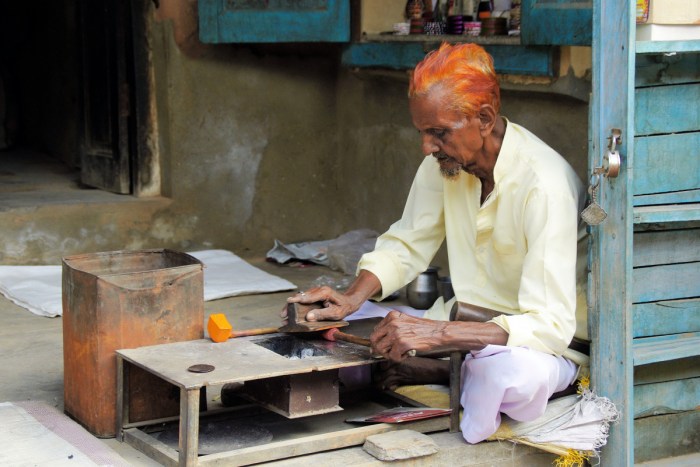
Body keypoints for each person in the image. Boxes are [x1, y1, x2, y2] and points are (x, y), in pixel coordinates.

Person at [285, 42, 588, 444]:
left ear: (484, 118)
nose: (426, 147)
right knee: (374, 343)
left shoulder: (544, 185)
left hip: (542, 345)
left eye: (438, 133)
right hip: (467, 322)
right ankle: (452, 366)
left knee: (504, 376)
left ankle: (450, 368)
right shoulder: (447, 163)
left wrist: (441, 337)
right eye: (423, 133)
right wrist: (351, 298)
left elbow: (549, 325)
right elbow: (407, 241)